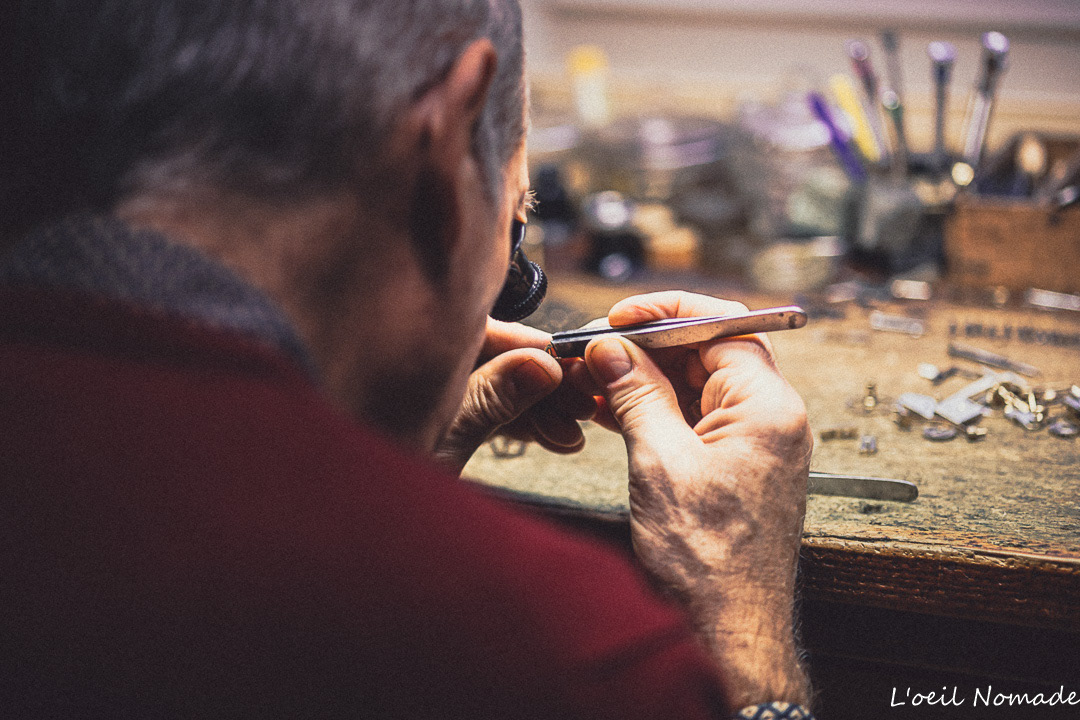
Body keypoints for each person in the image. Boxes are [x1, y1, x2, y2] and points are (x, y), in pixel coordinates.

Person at [0, 1, 815, 718]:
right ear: (448, 147)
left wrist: (362, 466)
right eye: (516, 227)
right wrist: (739, 637)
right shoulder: (571, 659)